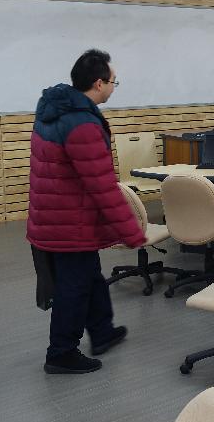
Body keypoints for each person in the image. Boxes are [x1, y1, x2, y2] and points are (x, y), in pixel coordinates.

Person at [27, 49, 146, 375]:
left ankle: (102, 331)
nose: (114, 87)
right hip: (70, 223)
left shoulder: (54, 110)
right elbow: (102, 187)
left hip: (54, 216)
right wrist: (131, 231)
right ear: (98, 83)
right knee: (74, 288)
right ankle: (61, 352)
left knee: (90, 277)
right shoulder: (82, 125)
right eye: (114, 81)